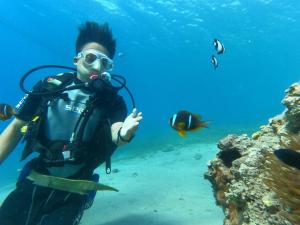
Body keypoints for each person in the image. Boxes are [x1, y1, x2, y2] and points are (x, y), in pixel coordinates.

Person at [0, 21, 142, 225]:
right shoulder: (48, 86)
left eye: (105, 63)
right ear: (76, 59)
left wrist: (124, 134)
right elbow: (15, 128)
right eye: (91, 58)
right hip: (33, 180)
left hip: (75, 189)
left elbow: (117, 131)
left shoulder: (112, 100)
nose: (97, 66)